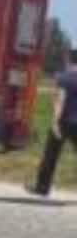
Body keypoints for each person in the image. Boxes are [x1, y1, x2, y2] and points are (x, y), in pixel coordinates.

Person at [28, 49, 77, 196]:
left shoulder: (63, 77)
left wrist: (55, 121)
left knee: (51, 155)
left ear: (68, 59)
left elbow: (60, 100)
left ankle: (42, 188)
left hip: (64, 121)